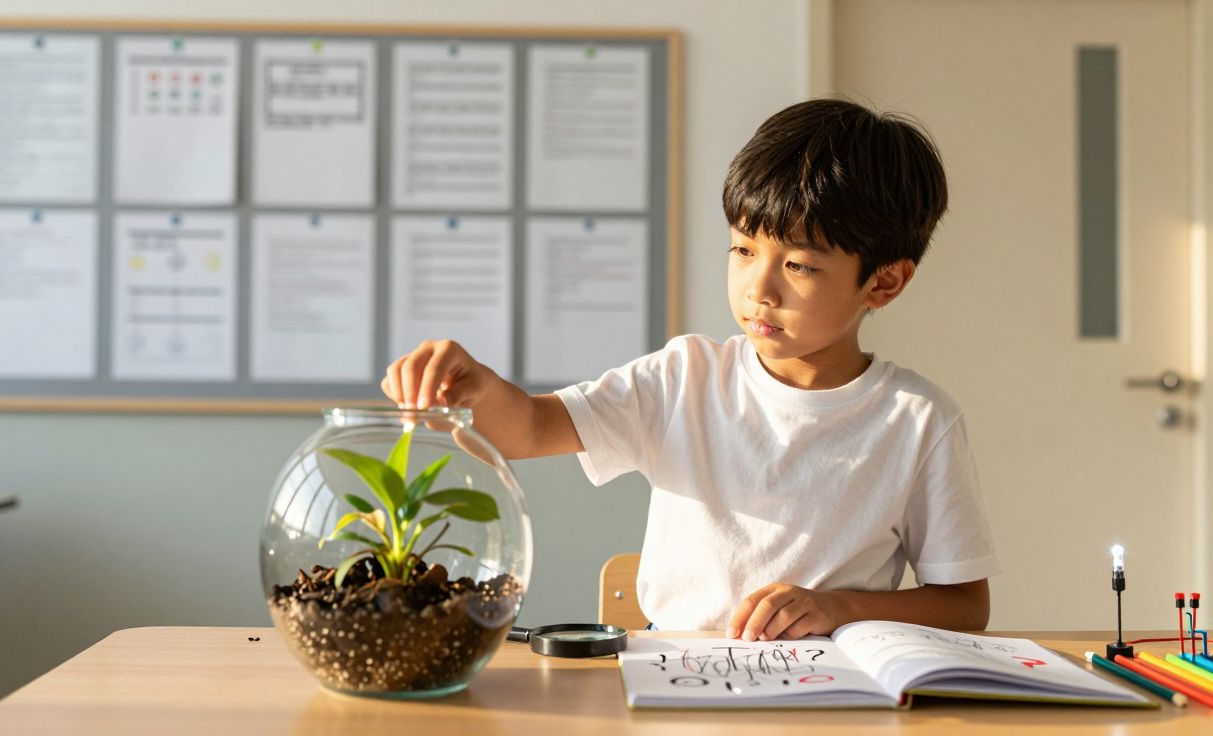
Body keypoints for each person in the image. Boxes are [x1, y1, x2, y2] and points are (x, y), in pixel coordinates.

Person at [382, 98, 1000, 641]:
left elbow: (964, 604)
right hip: (676, 669)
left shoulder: (918, 419)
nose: (759, 288)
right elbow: (531, 429)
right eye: (744, 249)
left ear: (884, 282)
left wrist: (840, 607)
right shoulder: (684, 378)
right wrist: (474, 387)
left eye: (800, 267)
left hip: (835, 684)